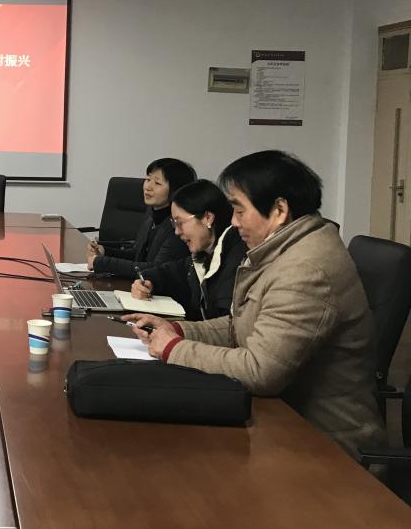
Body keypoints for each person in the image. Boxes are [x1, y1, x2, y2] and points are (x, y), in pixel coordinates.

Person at [124, 150, 383, 456]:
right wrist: (178, 330)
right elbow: (240, 326)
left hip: (324, 445)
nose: (233, 222)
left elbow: (261, 371)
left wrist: (173, 349)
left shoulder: (306, 270)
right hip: (281, 420)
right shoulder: (285, 249)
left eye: (239, 210)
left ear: (279, 210)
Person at [129, 179, 246, 322]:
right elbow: (171, 272)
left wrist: (178, 330)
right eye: (174, 224)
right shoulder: (204, 254)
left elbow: (225, 323)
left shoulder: (237, 256)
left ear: (208, 218)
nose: (177, 232)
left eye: (180, 223)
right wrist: (146, 281)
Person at [86, 158, 195, 280]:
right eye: (148, 179)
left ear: (176, 190)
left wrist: (102, 263)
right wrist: (104, 251)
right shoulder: (151, 213)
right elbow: (138, 255)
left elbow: (156, 269)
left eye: (157, 183)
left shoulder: (178, 226)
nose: (148, 187)